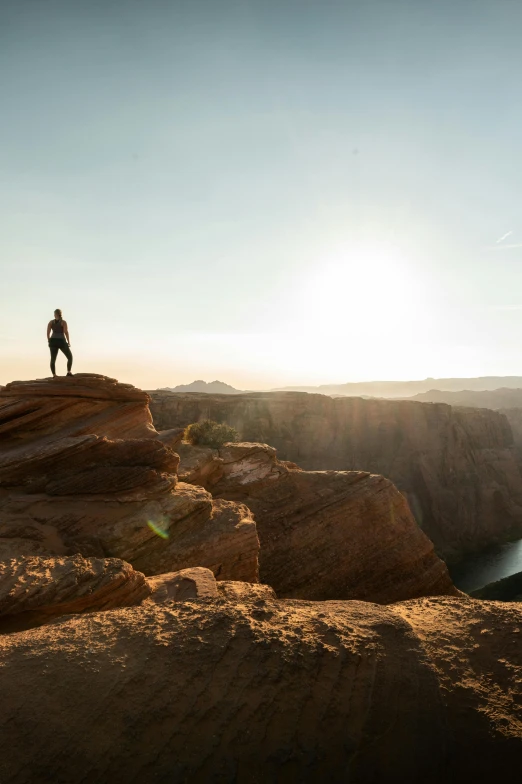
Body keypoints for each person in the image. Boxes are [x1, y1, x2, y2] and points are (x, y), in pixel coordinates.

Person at [47, 309, 73, 377]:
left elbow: (48, 332)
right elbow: (65, 332)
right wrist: (68, 341)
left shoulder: (51, 322)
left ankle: (54, 375)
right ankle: (69, 372)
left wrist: (49, 340)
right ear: (61, 314)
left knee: (53, 359)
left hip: (53, 341)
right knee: (70, 357)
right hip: (61, 341)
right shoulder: (63, 322)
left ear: (55, 314)